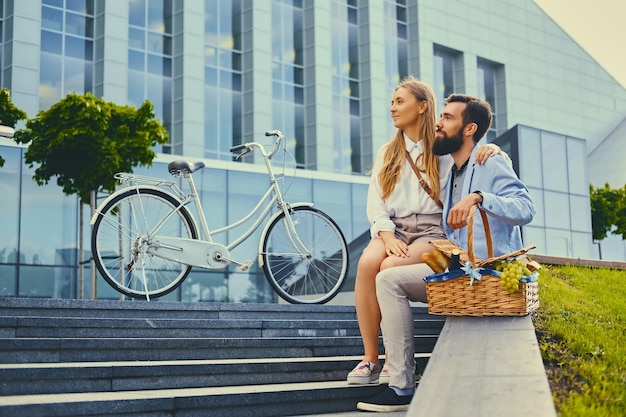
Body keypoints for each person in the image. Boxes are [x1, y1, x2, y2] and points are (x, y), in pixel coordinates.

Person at [356, 94, 536, 412]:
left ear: (469, 129)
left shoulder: (490, 161)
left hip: (491, 274)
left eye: (448, 118)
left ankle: (398, 382)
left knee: (387, 276)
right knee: (387, 278)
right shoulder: (450, 171)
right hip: (458, 271)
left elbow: (525, 208)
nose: (438, 123)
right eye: (440, 116)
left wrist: (480, 197)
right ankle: (400, 385)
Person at [348, 79, 504, 385]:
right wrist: (387, 234)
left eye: (400, 101)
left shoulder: (443, 147)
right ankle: (370, 359)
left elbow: (471, 154)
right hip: (391, 229)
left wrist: (492, 147)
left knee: (390, 267)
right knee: (368, 264)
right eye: (392, 101)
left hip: (432, 231)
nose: (392, 107)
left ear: (422, 106)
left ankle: (398, 360)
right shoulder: (387, 151)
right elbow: (375, 200)